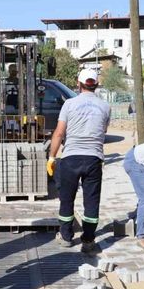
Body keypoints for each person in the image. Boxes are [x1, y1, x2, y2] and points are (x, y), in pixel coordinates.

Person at [47, 68, 111, 254]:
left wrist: (52, 157)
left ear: (79, 83)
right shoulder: (105, 107)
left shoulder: (69, 104)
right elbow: (103, 131)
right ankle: (89, 240)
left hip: (71, 158)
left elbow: (59, 133)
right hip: (94, 159)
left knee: (67, 199)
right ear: (96, 85)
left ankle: (66, 237)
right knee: (91, 201)